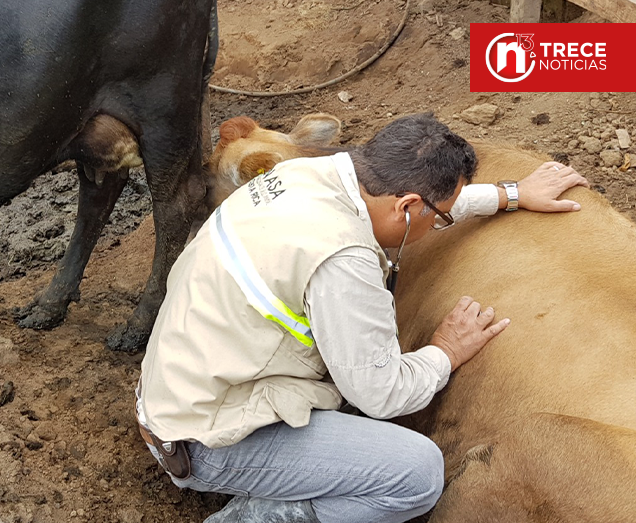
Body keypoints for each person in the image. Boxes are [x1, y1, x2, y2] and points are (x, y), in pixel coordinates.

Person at [136, 113, 589, 523]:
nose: (438, 225)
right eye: (440, 218)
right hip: (205, 441)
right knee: (416, 474)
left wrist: (509, 194)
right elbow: (382, 396)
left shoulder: (303, 175)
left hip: (180, 394)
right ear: (407, 206)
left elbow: (411, 208)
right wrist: (444, 353)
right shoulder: (341, 258)